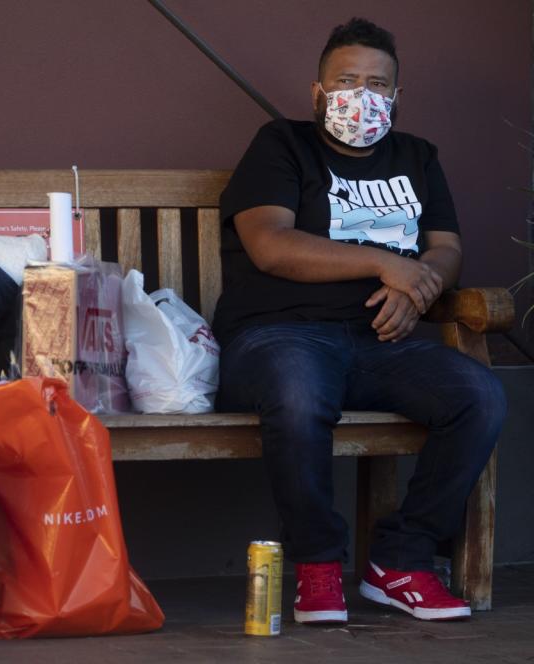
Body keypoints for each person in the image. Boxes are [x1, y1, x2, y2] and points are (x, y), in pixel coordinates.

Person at [211, 17, 506, 623]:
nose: (361, 96)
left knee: (479, 394)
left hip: (381, 342)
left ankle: (401, 561)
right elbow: (271, 244)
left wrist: (419, 292)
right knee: (298, 392)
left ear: (396, 97)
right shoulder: (281, 145)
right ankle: (317, 568)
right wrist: (387, 264)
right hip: (276, 336)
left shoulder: (417, 157)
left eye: (377, 84)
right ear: (318, 92)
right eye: (346, 81)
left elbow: (445, 248)